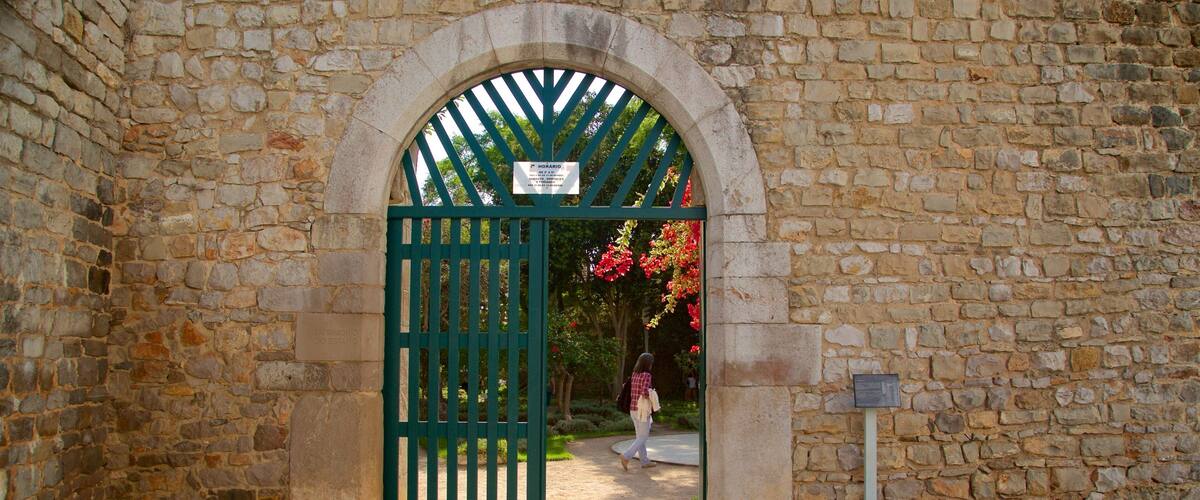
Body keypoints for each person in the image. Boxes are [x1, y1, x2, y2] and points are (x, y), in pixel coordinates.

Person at [620, 353, 656, 470]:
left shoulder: (634, 374)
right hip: (642, 410)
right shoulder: (647, 375)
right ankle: (626, 456)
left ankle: (644, 461)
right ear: (648, 363)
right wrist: (653, 395)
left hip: (633, 409)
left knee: (639, 436)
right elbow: (645, 392)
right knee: (643, 437)